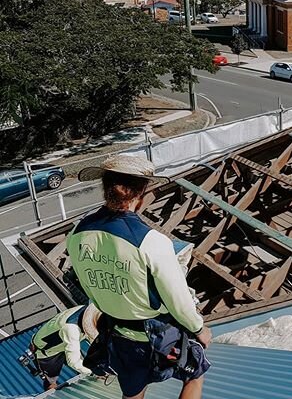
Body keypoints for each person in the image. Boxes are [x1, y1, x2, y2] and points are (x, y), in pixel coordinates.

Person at [66, 156, 213, 399]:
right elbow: (177, 300)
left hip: (119, 334)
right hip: (156, 334)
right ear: (142, 191)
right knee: (194, 374)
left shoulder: (77, 233)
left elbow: (89, 287)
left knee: (133, 392)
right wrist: (199, 328)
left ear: (105, 188)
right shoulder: (150, 241)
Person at [30, 304, 100, 391]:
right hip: (47, 352)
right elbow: (74, 362)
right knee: (51, 381)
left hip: (65, 340)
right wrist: (95, 372)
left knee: (85, 364)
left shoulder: (89, 311)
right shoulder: (71, 329)